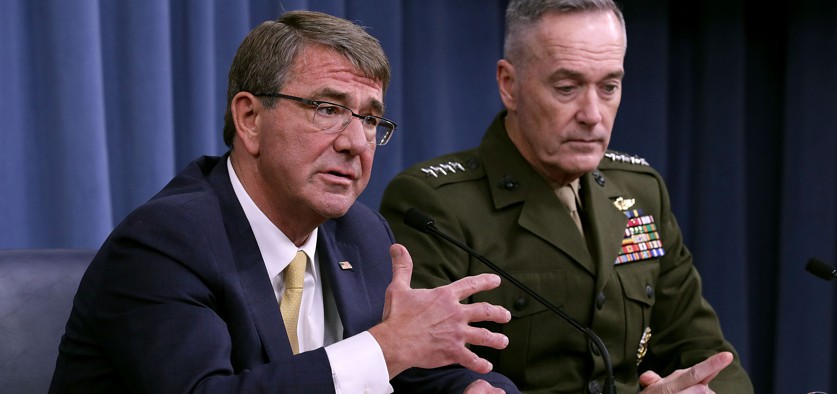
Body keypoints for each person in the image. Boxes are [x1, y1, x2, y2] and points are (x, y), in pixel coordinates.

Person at [49, 10, 515, 394]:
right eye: (328, 110)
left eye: (371, 120)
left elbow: (407, 370)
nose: (357, 142)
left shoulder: (362, 234)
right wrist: (385, 347)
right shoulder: (165, 243)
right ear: (250, 118)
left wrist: (468, 390)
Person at [380, 0, 755, 393]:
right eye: (567, 87)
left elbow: (705, 352)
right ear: (509, 84)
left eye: (609, 86)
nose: (592, 114)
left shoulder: (641, 190)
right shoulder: (434, 202)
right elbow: (423, 372)